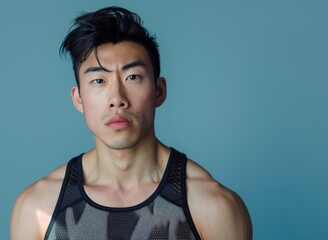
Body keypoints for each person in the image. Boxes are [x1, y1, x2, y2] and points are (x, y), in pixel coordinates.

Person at [10, 6, 252, 240]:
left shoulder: (212, 206)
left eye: (132, 77)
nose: (117, 99)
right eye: (98, 81)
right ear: (78, 98)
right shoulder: (38, 207)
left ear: (159, 91)